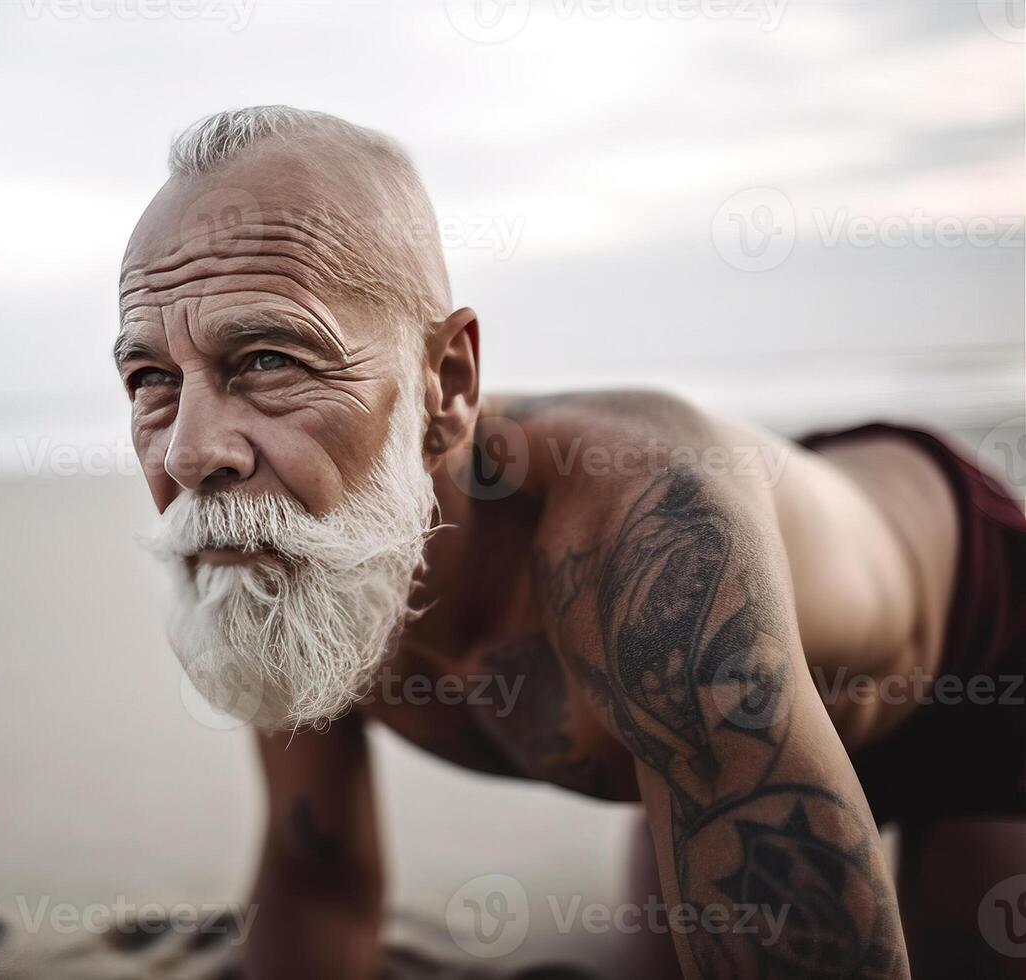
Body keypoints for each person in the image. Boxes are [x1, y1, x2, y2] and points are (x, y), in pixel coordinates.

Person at [115, 105, 1026, 979]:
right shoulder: (298, 560)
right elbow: (318, 886)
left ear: (449, 383)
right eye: (151, 377)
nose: (192, 452)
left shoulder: (649, 541)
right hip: (727, 714)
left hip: (975, 651)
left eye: (269, 359)